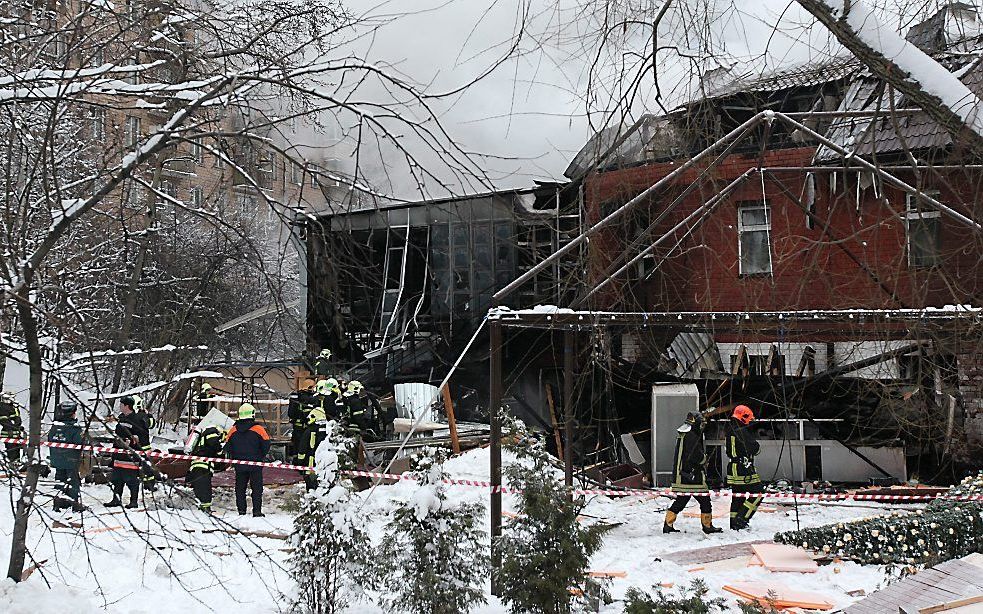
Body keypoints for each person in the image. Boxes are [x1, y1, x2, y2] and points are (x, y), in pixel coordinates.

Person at [663, 412, 722, 534]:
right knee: (705, 501)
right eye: (701, 423)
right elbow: (695, 455)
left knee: (681, 501)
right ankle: (707, 526)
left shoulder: (684, 434)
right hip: (691, 476)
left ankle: (668, 524)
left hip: (682, 475)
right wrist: (704, 460)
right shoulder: (691, 436)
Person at [224, 403, 270, 517]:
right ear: (252, 414)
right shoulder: (259, 429)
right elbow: (266, 444)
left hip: (239, 465)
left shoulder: (233, 430)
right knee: (257, 489)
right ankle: (257, 511)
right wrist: (260, 456)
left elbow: (227, 446)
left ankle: (241, 511)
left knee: (240, 488)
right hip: (255, 464)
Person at [106, 396, 148, 508]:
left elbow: (144, 437)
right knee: (117, 479)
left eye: (121, 404)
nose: (119, 406)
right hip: (119, 455)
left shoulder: (138, 419)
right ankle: (116, 499)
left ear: (127, 406)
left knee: (131, 480)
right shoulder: (121, 419)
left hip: (130, 457)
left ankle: (133, 501)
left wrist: (134, 439)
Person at [726, 404, 763, 531]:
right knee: (758, 492)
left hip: (733, 467)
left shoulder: (731, 427)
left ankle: (734, 522)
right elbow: (753, 448)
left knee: (738, 496)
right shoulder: (741, 431)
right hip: (743, 468)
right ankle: (742, 519)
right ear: (744, 417)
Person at [48, 400, 85, 512]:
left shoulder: (54, 427)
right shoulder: (74, 428)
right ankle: (74, 505)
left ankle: (59, 504)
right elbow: (80, 442)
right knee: (73, 483)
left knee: (60, 481)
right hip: (71, 461)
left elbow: (50, 439)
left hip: (57, 460)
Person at [187, 425, 224, 513]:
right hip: (203, 466)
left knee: (200, 487)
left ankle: (203, 507)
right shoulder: (211, 431)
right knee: (205, 487)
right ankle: (205, 508)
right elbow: (215, 444)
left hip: (197, 465)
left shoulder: (203, 435)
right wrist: (220, 449)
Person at [296, 405, 327, 491]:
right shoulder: (328, 430)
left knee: (311, 487)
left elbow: (302, 448)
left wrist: (300, 463)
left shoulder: (309, 431)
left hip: (311, 464)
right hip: (324, 464)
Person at [134, 395, 157, 492]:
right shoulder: (143, 416)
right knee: (147, 468)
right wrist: (148, 415)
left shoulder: (126, 416)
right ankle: (149, 485)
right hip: (144, 446)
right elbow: (151, 424)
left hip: (131, 447)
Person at [0, 391, 25, 467]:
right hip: (8, 434)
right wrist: (13, 427)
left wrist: (18, 426)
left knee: (17, 450)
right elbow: (4, 420)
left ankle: (16, 464)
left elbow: (17, 418)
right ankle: (11, 466)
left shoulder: (14, 407)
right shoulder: (2, 407)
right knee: (11, 451)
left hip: (16, 434)